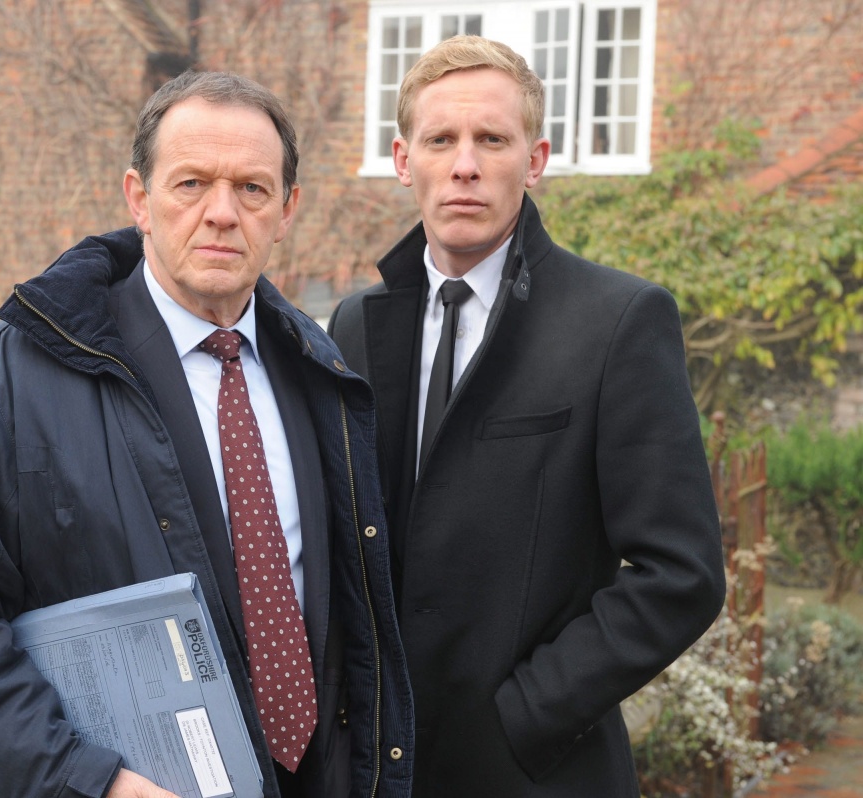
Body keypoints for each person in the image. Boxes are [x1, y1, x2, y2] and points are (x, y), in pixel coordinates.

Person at [0, 70, 413, 798]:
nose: (222, 213)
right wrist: (88, 781)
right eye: (191, 184)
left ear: (286, 210)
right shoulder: (6, 377)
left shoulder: (323, 374)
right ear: (139, 198)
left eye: (252, 189)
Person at [328, 36, 725, 797]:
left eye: (492, 139)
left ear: (535, 160)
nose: (464, 165)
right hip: (385, 771)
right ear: (404, 160)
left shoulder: (618, 321)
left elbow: (684, 574)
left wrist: (532, 712)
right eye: (440, 140)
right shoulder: (353, 326)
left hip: (540, 772)